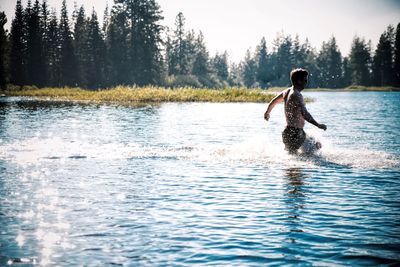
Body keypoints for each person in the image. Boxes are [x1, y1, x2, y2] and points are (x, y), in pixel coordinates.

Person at [264, 68, 327, 154]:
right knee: (307, 154)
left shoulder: (286, 91)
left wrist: (267, 113)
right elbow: (305, 114)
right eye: (305, 80)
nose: (306, 82)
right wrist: (318, 125)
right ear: (298, 81)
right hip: (296, 134)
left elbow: (273, 102)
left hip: (287, 132)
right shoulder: (297, 95)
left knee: (316, 145)